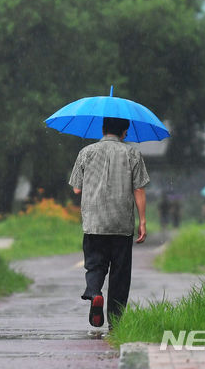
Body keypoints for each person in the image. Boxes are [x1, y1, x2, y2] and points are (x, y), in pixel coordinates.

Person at [69, 117, 149, 331]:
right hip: (122, 224)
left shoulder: (86, 152)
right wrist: (142, 221)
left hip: (94, 223)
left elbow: (77, 188)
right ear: (124, 132)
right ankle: (115, 322)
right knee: (120, 274)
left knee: (95, 265)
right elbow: (139, 189)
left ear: (102, 129)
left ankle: (95, 293)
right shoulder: (133, 154)